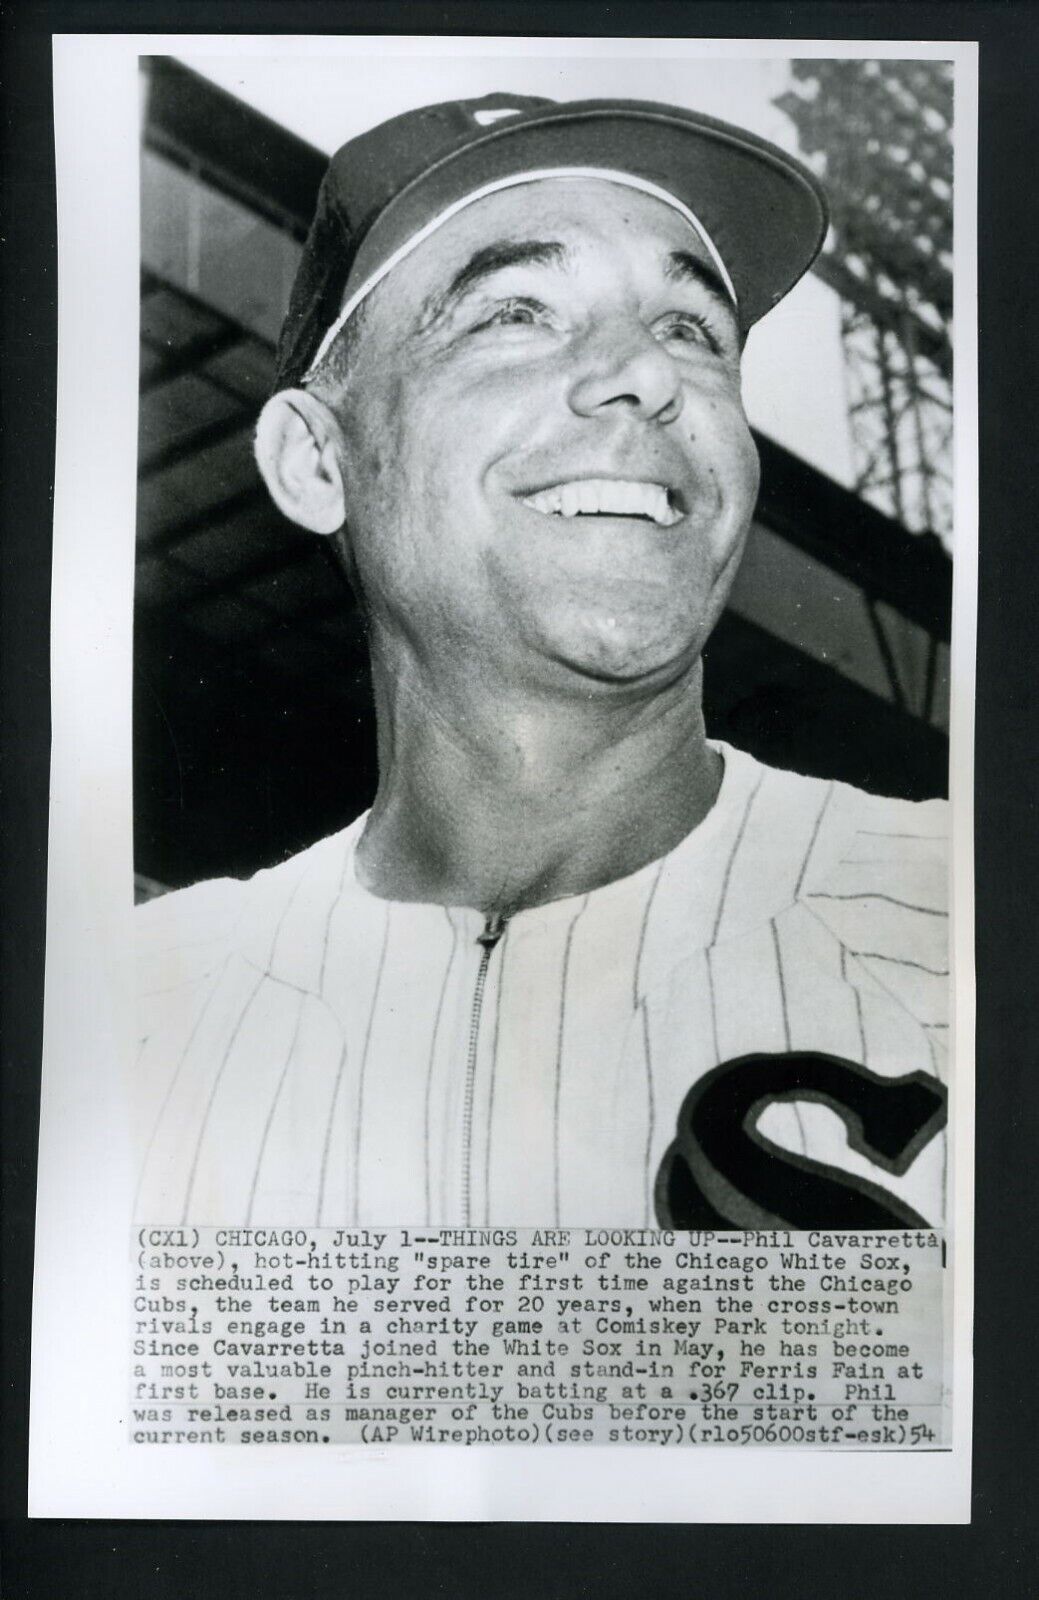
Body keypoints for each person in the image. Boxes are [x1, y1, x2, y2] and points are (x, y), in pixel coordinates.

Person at [135, 93, 949, 1230]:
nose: (647, 375)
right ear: (317, 463)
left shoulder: (966, 923)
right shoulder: (126, 1013)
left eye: (689, 330)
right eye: (514, 311)